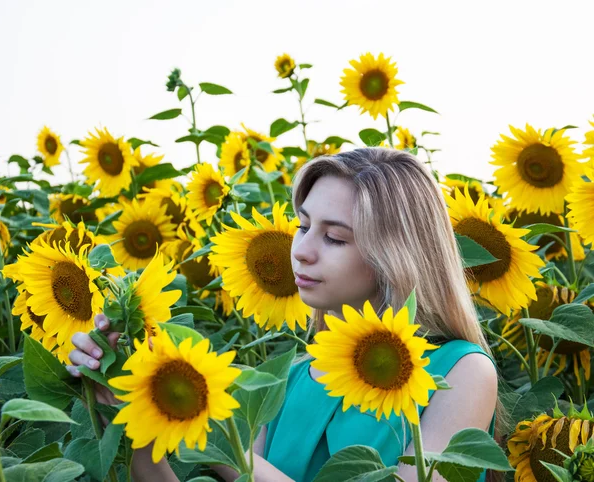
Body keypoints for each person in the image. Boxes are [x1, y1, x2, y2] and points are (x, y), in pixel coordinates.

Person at [67, 148, 500, 482]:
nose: (301, 250)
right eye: (302, 225)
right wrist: (132, 408)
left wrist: (221, 439)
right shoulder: (285, 380)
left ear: (395, 257)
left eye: (333, 237)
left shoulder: (461, 372)